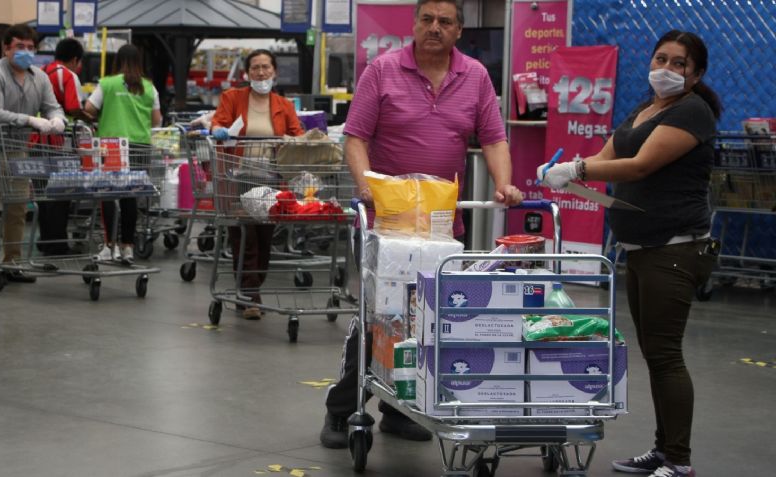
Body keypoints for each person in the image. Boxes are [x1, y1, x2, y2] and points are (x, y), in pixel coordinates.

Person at [319, 0, 523, 449]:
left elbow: (493, 138)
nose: (434, 28)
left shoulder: (475, 77)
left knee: (428, 320)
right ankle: (342, 408)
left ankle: (398, 407)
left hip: (440, 227)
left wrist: (505, 185)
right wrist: (367, 184)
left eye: (444, 21)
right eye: (427, 19)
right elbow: (356, 137)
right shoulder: (383, 70)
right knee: (378, 317)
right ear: (413, 25)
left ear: (459, 31)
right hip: (386, 224)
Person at [537, 30, 720, 477]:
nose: (668, 69)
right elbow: (607, 158)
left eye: (680, 63)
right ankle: (664, 450)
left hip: (673, 250)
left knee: (665, 354)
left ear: (696, 74)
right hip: (642, 250)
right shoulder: (645, 109)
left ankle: (678, 461)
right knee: (655, 354)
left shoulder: (691, 112)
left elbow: (640, 166)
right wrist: (569, 175)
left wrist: (575, 168)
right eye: (662, 58)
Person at [207, 48, 304, 320]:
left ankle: (249, 289)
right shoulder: (233, 98)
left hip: (271, 179)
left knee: (264, 239)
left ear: (274, 71)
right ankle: (251, 297)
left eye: (265, 67)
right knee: (245, 236)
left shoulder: (284, 106)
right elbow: (219, 123)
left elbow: (298, 135)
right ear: (247, 73)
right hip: (239, 177)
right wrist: (218, 131)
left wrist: (293, 141)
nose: (261, 72)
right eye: (255, 68)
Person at [0, 23, 66, 284]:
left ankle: (13, 262)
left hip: (17, 150)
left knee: (18, 207)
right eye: (19, 47)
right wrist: (31, 121)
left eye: (30, 48)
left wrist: (57, 120)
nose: (25, 52)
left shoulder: (39, 77)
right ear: (6, 48)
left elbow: (53, 106)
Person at [84, 44, 162, 264]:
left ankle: (110, 246)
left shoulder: (107, 83)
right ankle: (127, 247)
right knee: (131, 196)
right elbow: (157, 120)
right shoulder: (149, 87)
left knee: (108, 194)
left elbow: (89, 108)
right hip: (141, 147)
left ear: (116, 61)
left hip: (112, 147)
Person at [38, 37, 89, 256]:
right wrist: (91, 117)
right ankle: (58, 245)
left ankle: (45, 240)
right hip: (58, 142)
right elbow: (72, 107)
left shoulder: (40, 71)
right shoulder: (68, 75)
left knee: (42, 193)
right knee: (61, 192)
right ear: (75, 59)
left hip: (34, 138)